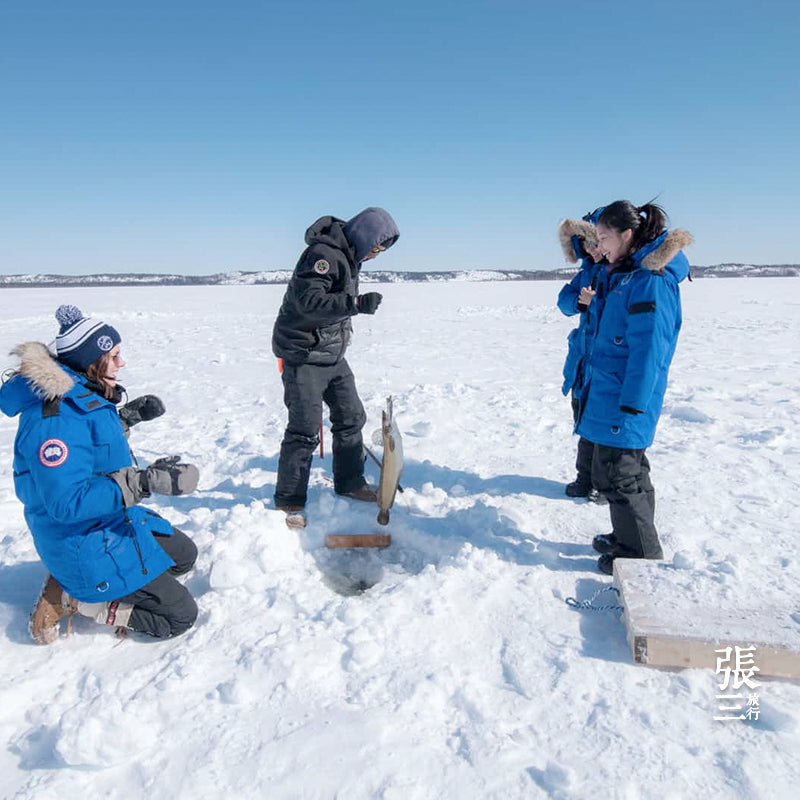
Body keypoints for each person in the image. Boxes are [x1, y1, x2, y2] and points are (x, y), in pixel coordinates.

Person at [0, 305, 201, 642]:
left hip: (109, 522)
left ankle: (87, 586)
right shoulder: (56, 419)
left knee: (184, 557)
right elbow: (66, 503)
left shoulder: (80, 391)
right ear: (91, 360)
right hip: (82, 538)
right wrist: (143, 482)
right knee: (180, 617)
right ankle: (79, 601)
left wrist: (125, 420)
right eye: (115, 355)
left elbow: (88, 449)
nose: (122, 363)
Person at [574, 201, 693, 574]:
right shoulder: (625, 275)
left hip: (625, 400)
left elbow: (650, 350)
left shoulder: (650, 282)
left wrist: (633, 404)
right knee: (629, 472)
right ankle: (628, 535)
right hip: (610, 392)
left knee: (620, 475)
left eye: (605, 238)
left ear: (627, 234)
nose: (601, 247)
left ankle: (639, 553)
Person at [271, 207, 400, 525]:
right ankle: (289, 500)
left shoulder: (350, 257)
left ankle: (350, 482)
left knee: (351, 416)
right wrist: (355, 305)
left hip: (331, 354)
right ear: (365, 236)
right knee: (304, 428)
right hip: (303, 354)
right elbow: (308, 302)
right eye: (376, 246)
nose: (376, 254)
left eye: (381, 250)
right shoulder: (322, 254)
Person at [557, 207, 607, 501]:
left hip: (604, 361)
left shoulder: (618, 272)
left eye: (596, 243)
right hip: (583, 360)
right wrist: (580, 301)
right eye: (587, 244)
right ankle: (584, 477)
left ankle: (604, 483)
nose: (593, 249)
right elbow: (564, 303)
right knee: (584, 422)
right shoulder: (586, 271)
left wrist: (595, 302)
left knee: (601, 426)